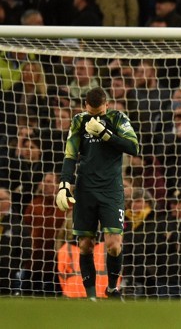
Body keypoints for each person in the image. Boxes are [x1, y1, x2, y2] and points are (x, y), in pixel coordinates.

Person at [56, 87, 139, 301]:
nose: (94, 118)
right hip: (86, 190)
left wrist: (105, 134)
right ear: (85, 106)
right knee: (85, 245)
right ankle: (91, 297)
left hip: (111, 190)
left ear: (107, 105)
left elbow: (133, 147)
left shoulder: (118, 119)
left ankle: (112, 289)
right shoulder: (78, 121)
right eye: (91, 113)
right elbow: (70, 154)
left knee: (113, 245)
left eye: (99, 113)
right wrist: (65, 184)